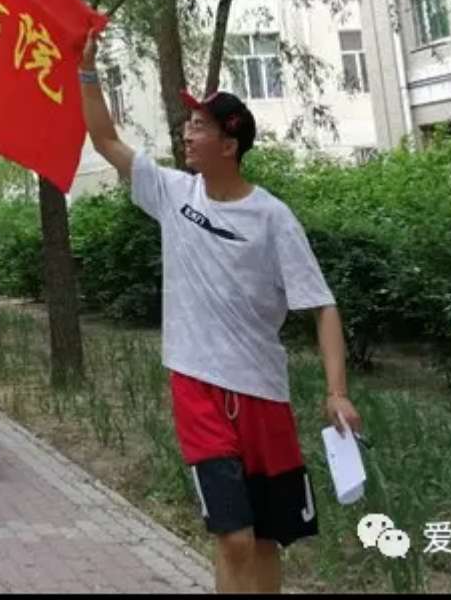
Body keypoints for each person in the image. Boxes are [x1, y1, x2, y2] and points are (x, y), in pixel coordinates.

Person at [78, 32, 362, 594]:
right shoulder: (174, 194)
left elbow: (322, 306)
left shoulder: (273, 218)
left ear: (229, 144)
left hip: (263, 392)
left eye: (200, 126)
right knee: (233, 538)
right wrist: (87, 72)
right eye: (188, 124)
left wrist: (337, 392)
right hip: (198, 386)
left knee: (267, 538)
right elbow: (105, 139)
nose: (187, 133)